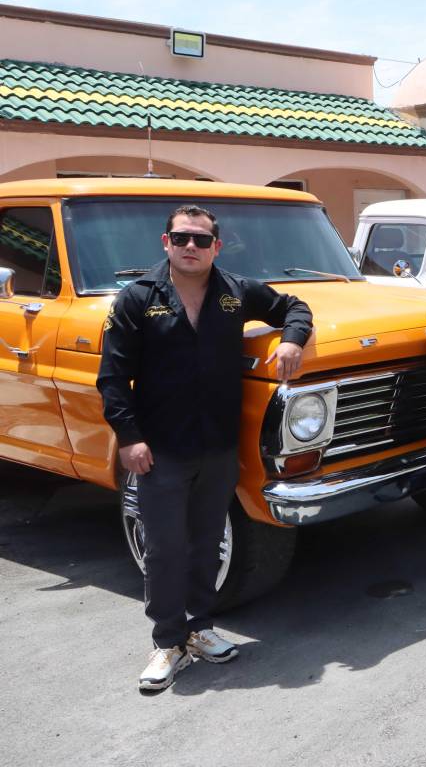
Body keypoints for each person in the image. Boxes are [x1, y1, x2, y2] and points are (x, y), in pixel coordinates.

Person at [98, 205, 311, 692]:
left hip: (218, 446)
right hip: (162, 448)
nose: (189, 247)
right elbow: (112, 377)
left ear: (217, 246)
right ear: (165, 242)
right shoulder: (137, 299)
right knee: (165, 547)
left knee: (206, 542)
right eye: (181, 239)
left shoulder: (236, 293)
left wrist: (293, 340)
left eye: (200, 240)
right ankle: (167, 642)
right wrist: (129, 438)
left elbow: (294, 306)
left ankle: (199, 629)